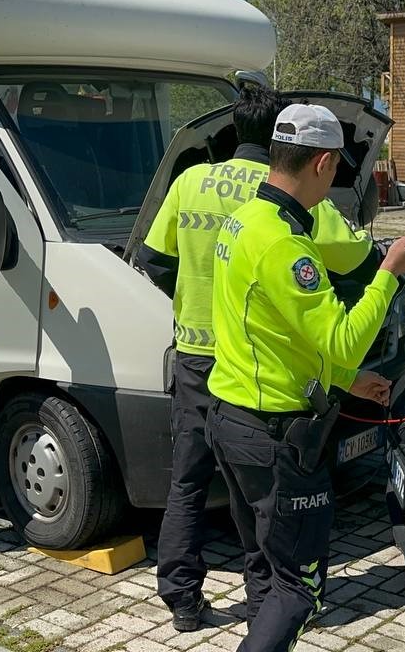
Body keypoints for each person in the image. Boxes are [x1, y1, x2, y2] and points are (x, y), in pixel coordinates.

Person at [138, 84, 376, 633]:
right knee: (259, 505)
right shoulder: (285, 202)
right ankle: (264, 603)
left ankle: (181, 598)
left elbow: (152, 259)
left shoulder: (190, 180)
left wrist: (193, 299)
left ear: (231, 131)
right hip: (254, 371)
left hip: (197, 358)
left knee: (187, 483)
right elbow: (357, 262)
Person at [206, 103, 405, 652]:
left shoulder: (245, 219)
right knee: (298, 588)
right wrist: (387, 273)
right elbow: (341, 337)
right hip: (275, 436)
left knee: (264, 568)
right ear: (325, 163)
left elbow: (276, 332)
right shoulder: (286, 243)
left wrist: (346, 380)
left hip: (231, 418)